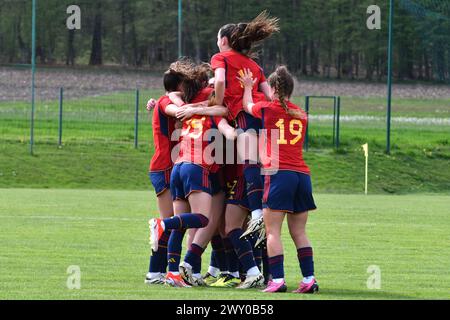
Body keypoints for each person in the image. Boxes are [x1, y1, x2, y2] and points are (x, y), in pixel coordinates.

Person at [150, 61, 237, 287]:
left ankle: (174, 273)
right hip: (193, 167)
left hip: (178, 164)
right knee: (201, 219)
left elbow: (178, 105)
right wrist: (238, 134)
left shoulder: (188, 105)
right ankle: (161, 261)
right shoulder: (199, 104)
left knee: (182, 224)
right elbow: (223, 110)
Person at [239, 66, 319, 294]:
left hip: (278, 174)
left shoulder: (268, 108)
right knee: (300, 233)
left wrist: (247, 87)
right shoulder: (301, 114)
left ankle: (278, 280)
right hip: (302, 175)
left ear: (273, 88)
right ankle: (309, 279)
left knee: (273, 231)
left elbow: (247, 106)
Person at [211, 11, 280, 243]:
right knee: (263, 165)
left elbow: (220, 80)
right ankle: (263, 210)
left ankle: (258, 213)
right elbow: (271, 95)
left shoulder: (220, 58)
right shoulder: (254, 65)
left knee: (248, 162)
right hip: (262, 115)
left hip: (243, 114)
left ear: (223, 41)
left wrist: (218, 103)